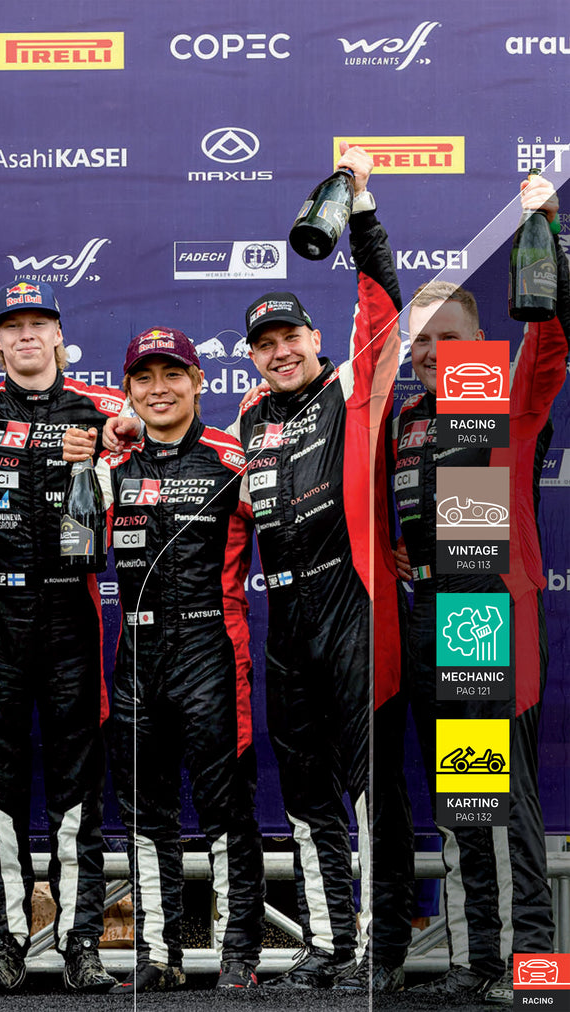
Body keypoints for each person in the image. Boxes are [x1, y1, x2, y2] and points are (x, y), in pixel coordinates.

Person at [103, 143, 402, 989]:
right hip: (286, 623)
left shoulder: (352, 390)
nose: (279, 352)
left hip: (351, 604)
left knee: (368, 787)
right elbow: (150, 434)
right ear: (249, 357)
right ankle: (328, 944)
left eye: (289, 337)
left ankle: (380, 950)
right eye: (264, 344)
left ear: (315, 339)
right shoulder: (246, 425)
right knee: (305, 793)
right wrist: (121, 430)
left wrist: (362, 209)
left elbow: (381, 309)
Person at [374, 173, 568, 1003]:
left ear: (479, 339)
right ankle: (473, 961)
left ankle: (535, 969)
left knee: (504, 804)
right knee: (462, 800)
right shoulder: (403, 420)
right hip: (429, 611)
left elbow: (550, 343)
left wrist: (546, 235)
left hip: (486, 614)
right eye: (418, 342)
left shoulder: (503, 398)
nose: (430, 353)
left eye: (446, 338)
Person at [0, 280, 122, 993]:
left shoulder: (102, 408)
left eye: (39, 323)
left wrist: (113, 446)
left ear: (60, 337)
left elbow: (158, 427)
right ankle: (7, 944)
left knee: (77, 794)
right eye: (12, 326)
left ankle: (80, 944)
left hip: (73, 618)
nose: (26, 335)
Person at [65, 328, 264, 992]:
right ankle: (159, 955)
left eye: (173, 374)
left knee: (225, 809)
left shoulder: (233, 460)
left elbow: (301, 530)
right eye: (144, 378)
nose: (159, 389)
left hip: (212, 652)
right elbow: (72, 547)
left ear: (199, 381)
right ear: (126, 390)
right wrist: (83, 462)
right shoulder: (109, 467)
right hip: (136, 659)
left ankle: (238, 957)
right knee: (146, 817)